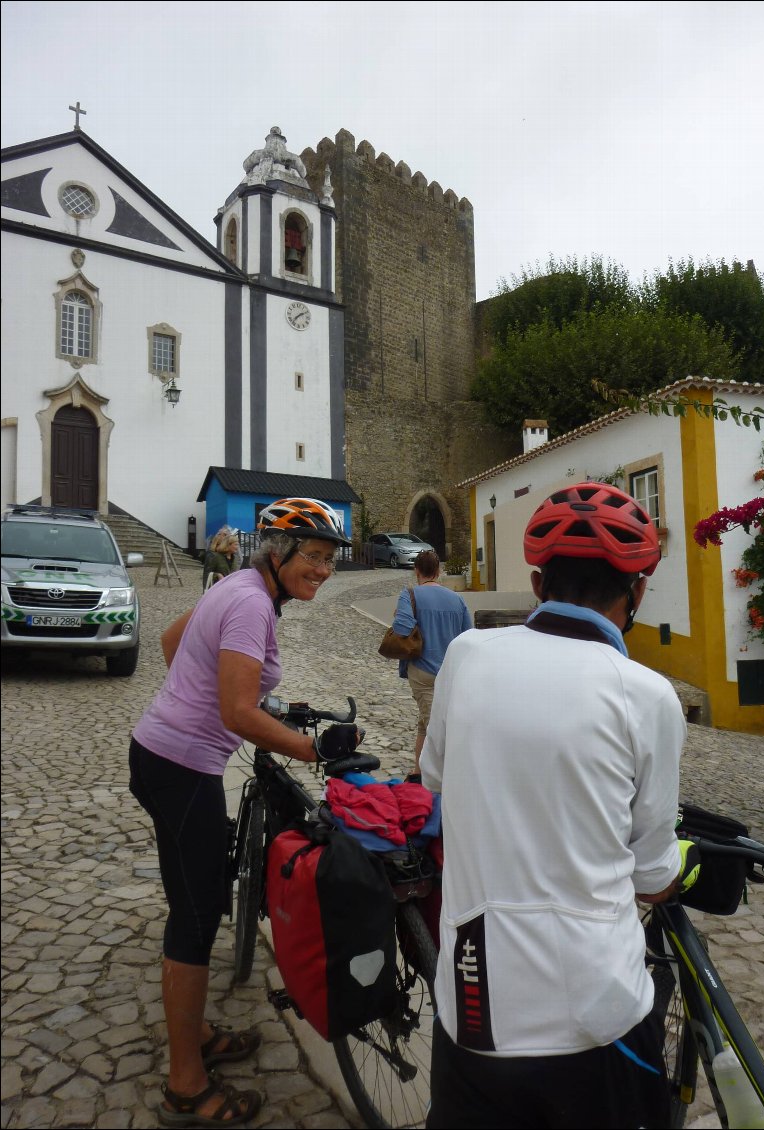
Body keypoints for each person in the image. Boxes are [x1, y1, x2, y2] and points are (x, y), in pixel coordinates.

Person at [420, 482, 689, 1129]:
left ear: (537, 585)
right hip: (591, 1017)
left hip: (473, 1006)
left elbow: (433, 775)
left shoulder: (467, 655)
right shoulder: (646, 695)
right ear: (638, 593)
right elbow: (652, 877)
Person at [129, 497, 362, 1128]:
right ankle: (185, 1085)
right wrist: (312, 748)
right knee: (197, 916)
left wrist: (193, 699)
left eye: (329, 559)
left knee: (193, 899)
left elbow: (173, 639)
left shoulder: (236, 584)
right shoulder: (251, 601)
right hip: (181, 768)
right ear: (279, 552)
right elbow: (237, 714)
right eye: (313, 557)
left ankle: (194, 1031)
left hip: (163, 753)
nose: (324, 570)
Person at [387, 549, 472, 779]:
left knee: (435, 728)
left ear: (417, 571)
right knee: (426, 722)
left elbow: (403, 629)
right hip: (450, 673)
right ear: (439, 571)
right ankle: (418, 773)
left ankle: (444, 779)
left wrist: (399, 616)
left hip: (423, 671)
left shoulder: (410, 594)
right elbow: (468, 635)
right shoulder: (457, 599)